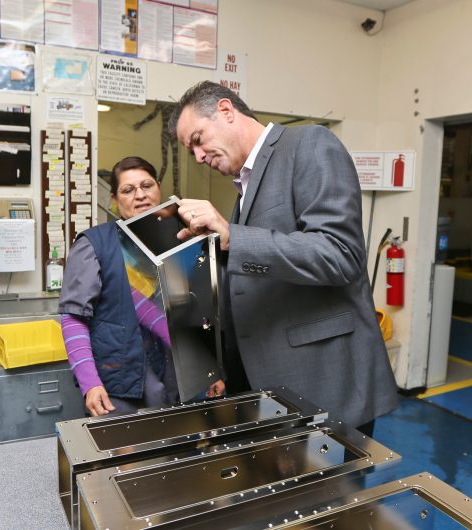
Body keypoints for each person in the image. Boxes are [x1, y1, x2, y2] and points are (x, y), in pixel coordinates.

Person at [167, 81, 398, 431]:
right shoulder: (246, 186)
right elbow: (256, 270)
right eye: (191, 151)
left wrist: (234, 238)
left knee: (333, 487)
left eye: (198, 140)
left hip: (322, 385)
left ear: (226, 111)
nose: (198, 157)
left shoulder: (309, 145)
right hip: (269, 385)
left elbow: (340, 254)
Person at [60, 156, 222, 417]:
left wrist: (205, 369)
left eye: (147, 185)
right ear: (114, 199)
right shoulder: (94, 244)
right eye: (128, 190)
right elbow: (73, 318)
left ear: (159, 187)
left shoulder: (180, 238)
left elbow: (162, 313)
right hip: (119, 385)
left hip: (175, 381)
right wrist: (90, 383)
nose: (140, 195)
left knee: (177, 455)